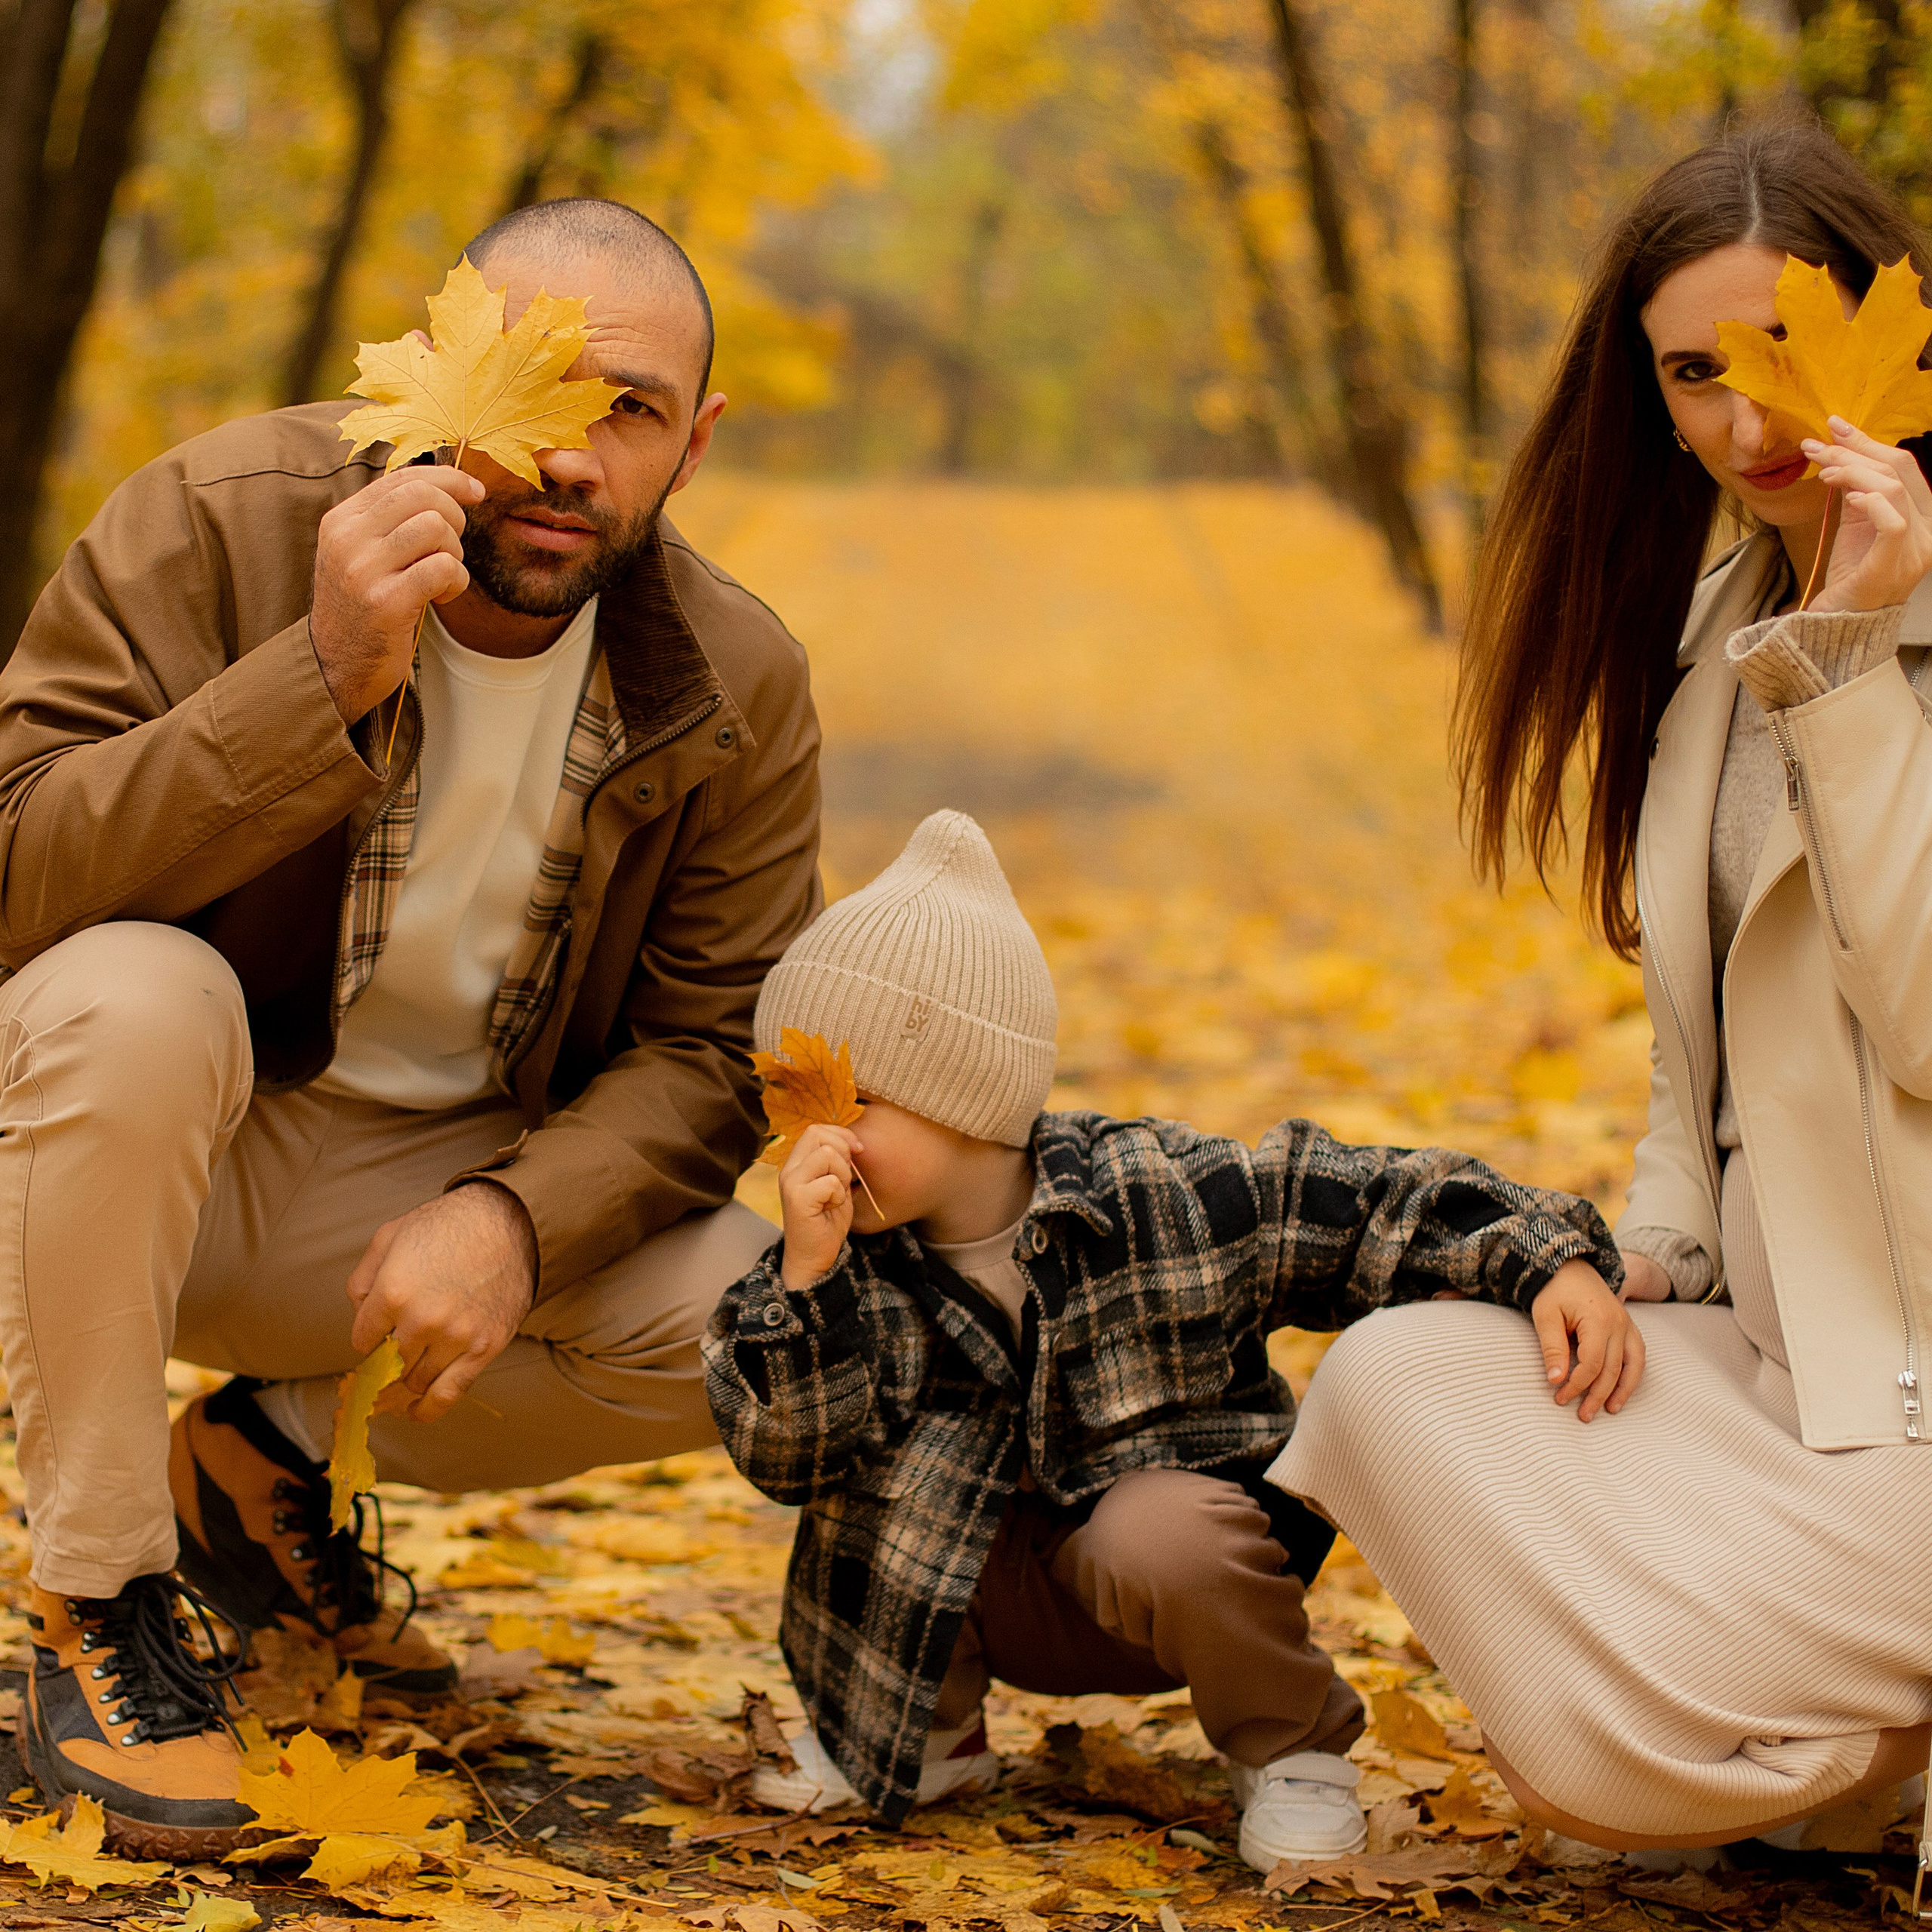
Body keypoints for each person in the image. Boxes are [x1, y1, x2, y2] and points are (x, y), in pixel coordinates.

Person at [0, 197, 817, 1854]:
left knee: (772, 1323)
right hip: (111, 1149)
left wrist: (516, 1220)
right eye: (530, 382)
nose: (567, 455)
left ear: (695, 443)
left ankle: (261, 1460)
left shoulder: (735, 679)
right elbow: (18, 866)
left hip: (410, 1203)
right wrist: (315, 673)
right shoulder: (220, 520)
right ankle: (98, 1597)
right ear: (433, 365)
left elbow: (707, 1052)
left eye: (630, 410)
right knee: (137, 996)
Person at [1271, 122, 1932, 1866]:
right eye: (1689, 373)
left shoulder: (1835, 642)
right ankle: (1862, 1727)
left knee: (1604, 1765)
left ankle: (1824, 1713)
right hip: (1788, 1373)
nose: (1742, 419)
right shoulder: (1715, 633)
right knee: (1392, 1379)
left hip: (1917, 1392)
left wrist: (1850, 667)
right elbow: (1699, 1067)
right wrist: (1647, 1250)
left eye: (1779, 351)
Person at [701, 810, 1639, 1872]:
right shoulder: (835, 1265)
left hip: (1178, 1585)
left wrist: (1541, 1256)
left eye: (849, 1100)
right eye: (791, 1101)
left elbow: (1368, 1203)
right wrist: (806, 1286)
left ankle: (1290, 1744)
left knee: (1158, 1529)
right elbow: (786, 1460)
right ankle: (923, 1736)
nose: (813, 1141)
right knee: (885, 1486)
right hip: (971, 1590)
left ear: (960, 1094)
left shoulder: (1158, 1195)